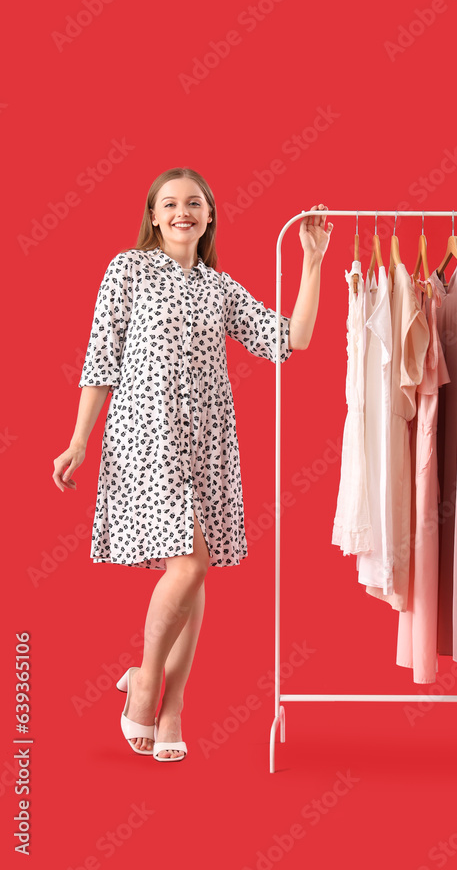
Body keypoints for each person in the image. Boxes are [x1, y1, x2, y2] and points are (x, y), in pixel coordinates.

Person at [52, 168, 332, 761]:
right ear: (153, 215)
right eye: (171, 203)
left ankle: (174, 709)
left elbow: (290, 340)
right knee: (189, 564)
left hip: (207, 442)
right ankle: (147, 680)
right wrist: (79, 440)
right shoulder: (127, 269)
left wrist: (312, 264)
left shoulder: (219, 287)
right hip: (145, 435)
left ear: (210, 216)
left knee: (197, 571)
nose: (183, 212)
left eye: (195, 203)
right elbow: (100, 358)